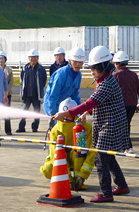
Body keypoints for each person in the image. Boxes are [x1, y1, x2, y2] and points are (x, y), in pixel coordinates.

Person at [54, 46, 131, 203]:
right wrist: (85, 112)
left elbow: (90, 102)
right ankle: (122, 185)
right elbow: (96, 102)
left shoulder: (107, 83)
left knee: (100, 158)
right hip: (110, 123)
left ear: (103, 67)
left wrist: (67, 113)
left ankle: (106, 193)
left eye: (94, 69)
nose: (91, 72)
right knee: (108, 158)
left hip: (110, 125)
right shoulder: (105, 80)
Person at [40, 98, 95, 191]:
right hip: (63, 160)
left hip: (78, 158)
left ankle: (78, 179)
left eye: (68, 115)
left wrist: (82, 176)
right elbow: (56, 155)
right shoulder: (55, 130)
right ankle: (67, 179)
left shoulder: (86, 128)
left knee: (79, 153)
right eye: (64, 115)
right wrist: (68, 179)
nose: (66, 118)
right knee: (48, 170)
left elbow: (92, 152)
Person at [43, 47, 85, 118]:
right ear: (69, 61)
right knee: (58, 126)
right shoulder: (61, 74)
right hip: (51, 104)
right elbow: (53, 95)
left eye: (80, 62)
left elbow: (75, 95)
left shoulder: (78, 75)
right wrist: (52, 113)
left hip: (62, 104)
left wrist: (80, 111)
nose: (78, 64)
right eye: (75, 62)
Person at [113, 51, 139, 154]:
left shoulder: (116, 75)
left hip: (121, 104)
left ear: (118, 63)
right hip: (132, 104)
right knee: (126, 124)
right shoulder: (134, 75)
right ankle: (124, 146)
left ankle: (128, 147)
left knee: (123, 125)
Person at [16, 49, 47, 133]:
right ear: (29, 58)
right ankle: (21, 127)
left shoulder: (41, 69)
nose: (33, 59)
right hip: (27, 94)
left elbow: (44, 80)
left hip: (36, 94)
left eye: (35, 57)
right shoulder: (25, 68)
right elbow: (21, 80)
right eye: (32, 57)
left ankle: (35, 127)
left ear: (38, 58)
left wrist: (40, 89)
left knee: (37, 112)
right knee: (24, 111)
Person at [0, 51, 14, 135]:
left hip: (7, 94)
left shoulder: (9, 70)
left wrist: (6, 92)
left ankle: (8, 130)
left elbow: (11, 82)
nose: (1, 60)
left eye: (2, 58)